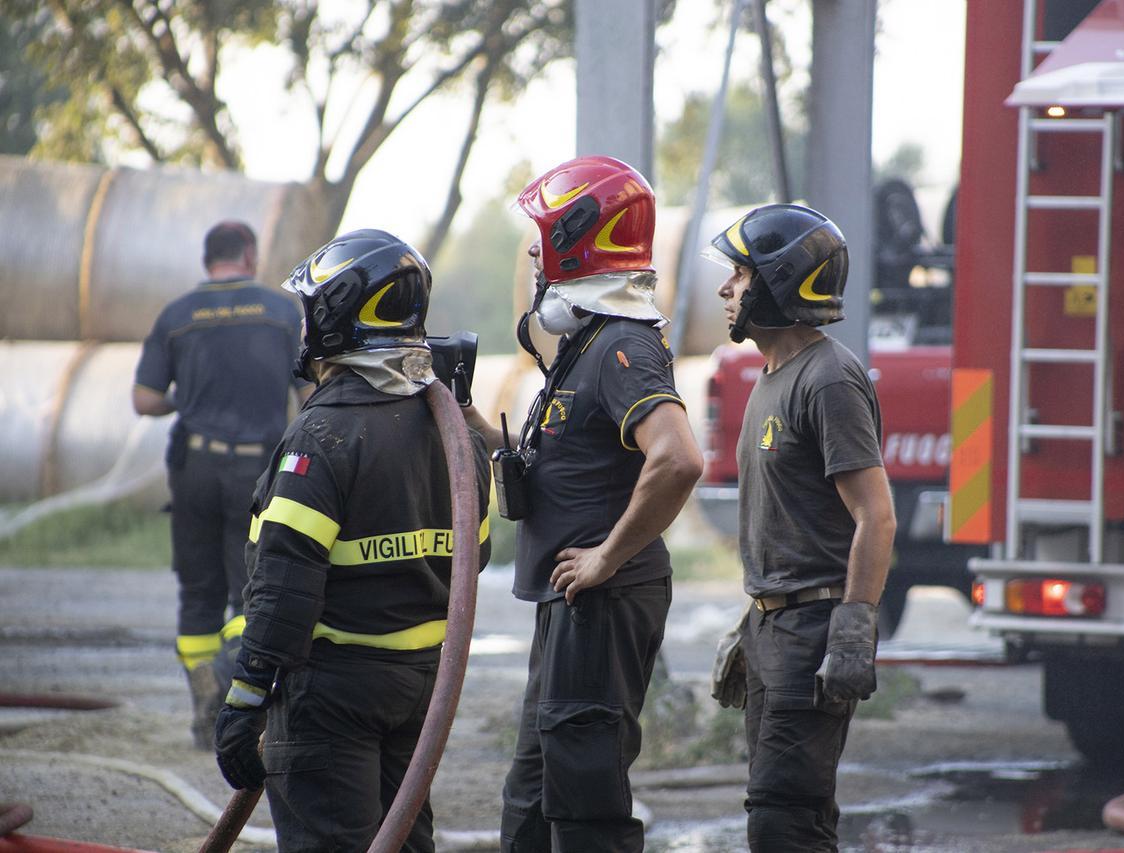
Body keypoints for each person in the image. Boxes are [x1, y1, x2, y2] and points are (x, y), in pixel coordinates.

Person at [211, 229, 492, 851]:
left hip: (330, 692)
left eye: (311, 311)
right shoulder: (456, 435)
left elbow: (284, 585)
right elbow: (476, 554)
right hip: (418, 686)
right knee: (403, 840)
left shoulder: (324, 437)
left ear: (336, 318)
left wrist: (244, 701)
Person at [462, 155, 704, 853]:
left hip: (598, 599)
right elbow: (559, 465)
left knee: (585, 807)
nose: (535, 253)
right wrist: (469, 421)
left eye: (542, 237)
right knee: (533, 799)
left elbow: (679, 458)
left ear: (579, 238)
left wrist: (606, 555)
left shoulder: (621, 345)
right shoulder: (585, 344)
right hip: (569, 602)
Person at [704, 204, 897, 852]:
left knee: (785, 822)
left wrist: (853, 626)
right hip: (773, 633)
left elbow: (877, 513)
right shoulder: (771, 377)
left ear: (778, 282)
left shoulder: (829, 378)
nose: (726, 289)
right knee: (787, 817)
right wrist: (755, 619)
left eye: (739, 274)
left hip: (811, 638)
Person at [133, 220, 305, 750]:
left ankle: (203, 704)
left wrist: (185, 400)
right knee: (248, 588)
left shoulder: (177, 316)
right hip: (257, 471)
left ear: (209, 259)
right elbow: (310, 390)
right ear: (248, 255)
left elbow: (144, 400)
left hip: (195, 471)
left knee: (198, 591)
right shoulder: (282, 313)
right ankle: (238, 708)